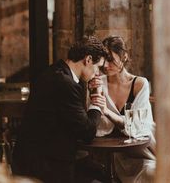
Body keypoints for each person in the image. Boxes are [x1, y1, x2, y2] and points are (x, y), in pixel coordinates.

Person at [12, 36, 107, 183]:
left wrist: (90, 90)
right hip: (45, 165)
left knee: (99, 172)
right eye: (98, 67)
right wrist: (97, 106)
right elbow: (87, 132)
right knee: (102, 176)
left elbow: (74, 118)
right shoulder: (65, 84)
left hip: (33, 157)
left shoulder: (56, 72)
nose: (98, 73)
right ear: (88, 60)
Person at [89, 35, 156, 183]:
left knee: (151, 173)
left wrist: (107, 111)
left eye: (111, 59)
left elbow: (138, 125)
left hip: (143, 150)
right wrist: (93, 93)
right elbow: (97, 128)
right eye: (103, 60)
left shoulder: (139, 84)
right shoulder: (99, 83)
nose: (106, 65)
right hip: (116, 155)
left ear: (124, 57)